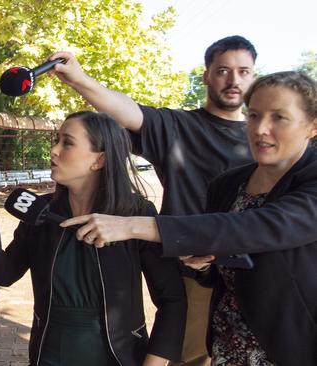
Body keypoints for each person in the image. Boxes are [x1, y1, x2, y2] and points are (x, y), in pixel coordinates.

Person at [62, 71, 317, 365]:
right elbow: (224, 250)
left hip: (291, 348)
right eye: (255, 115)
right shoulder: (228, 184)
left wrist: (131, 225)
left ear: (312, 126)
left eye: (279, 118)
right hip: (227, 345)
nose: (261, 128)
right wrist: (205, 260)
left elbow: (261, 227)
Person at [49, 35, 257, 366]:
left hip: (256, 284)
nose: (233, 80)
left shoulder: (262, 140)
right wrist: (79, 78)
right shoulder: (178, 127)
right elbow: (127, 110)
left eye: (244, 71)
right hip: (195, 282)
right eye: (222, 70)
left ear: (254, 76)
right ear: (205, 74)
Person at [0, 111, 187, 366]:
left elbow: (173, 299)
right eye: (56, 140)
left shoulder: (136, 216)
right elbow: (5, 272)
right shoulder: (39, 211)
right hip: (49, 354)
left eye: (67, 143)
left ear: (100, 160)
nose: (54, 150)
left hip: (119, 356)